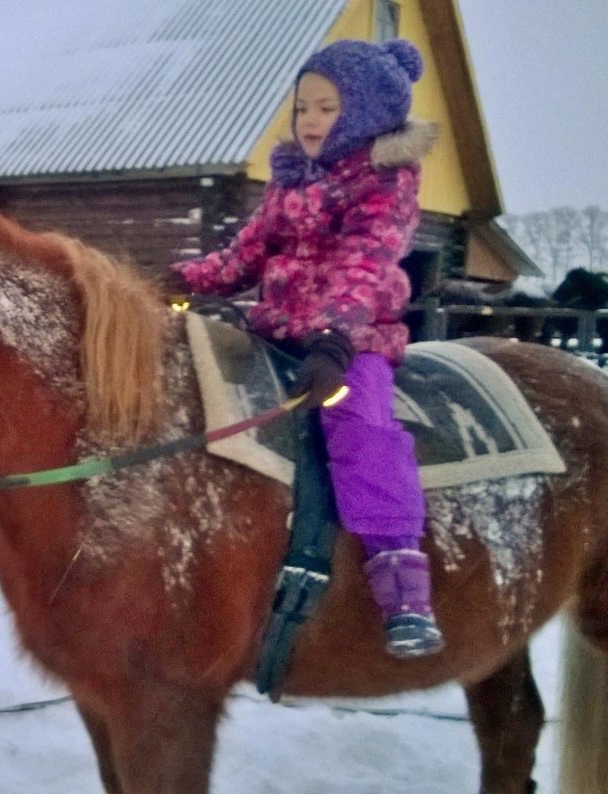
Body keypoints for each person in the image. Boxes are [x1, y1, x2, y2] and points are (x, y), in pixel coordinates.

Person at [170, 38, 444, 658]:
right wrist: (183, 281)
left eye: (327, 108)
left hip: (350, 341)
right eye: (303, 109)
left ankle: (400, 578)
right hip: (274, 333)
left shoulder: (386, 179)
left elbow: (365, 263)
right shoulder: (290, 179)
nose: (311, 121)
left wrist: (335, 341)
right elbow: (246, 254)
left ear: (368, 112)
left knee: (359, 425)